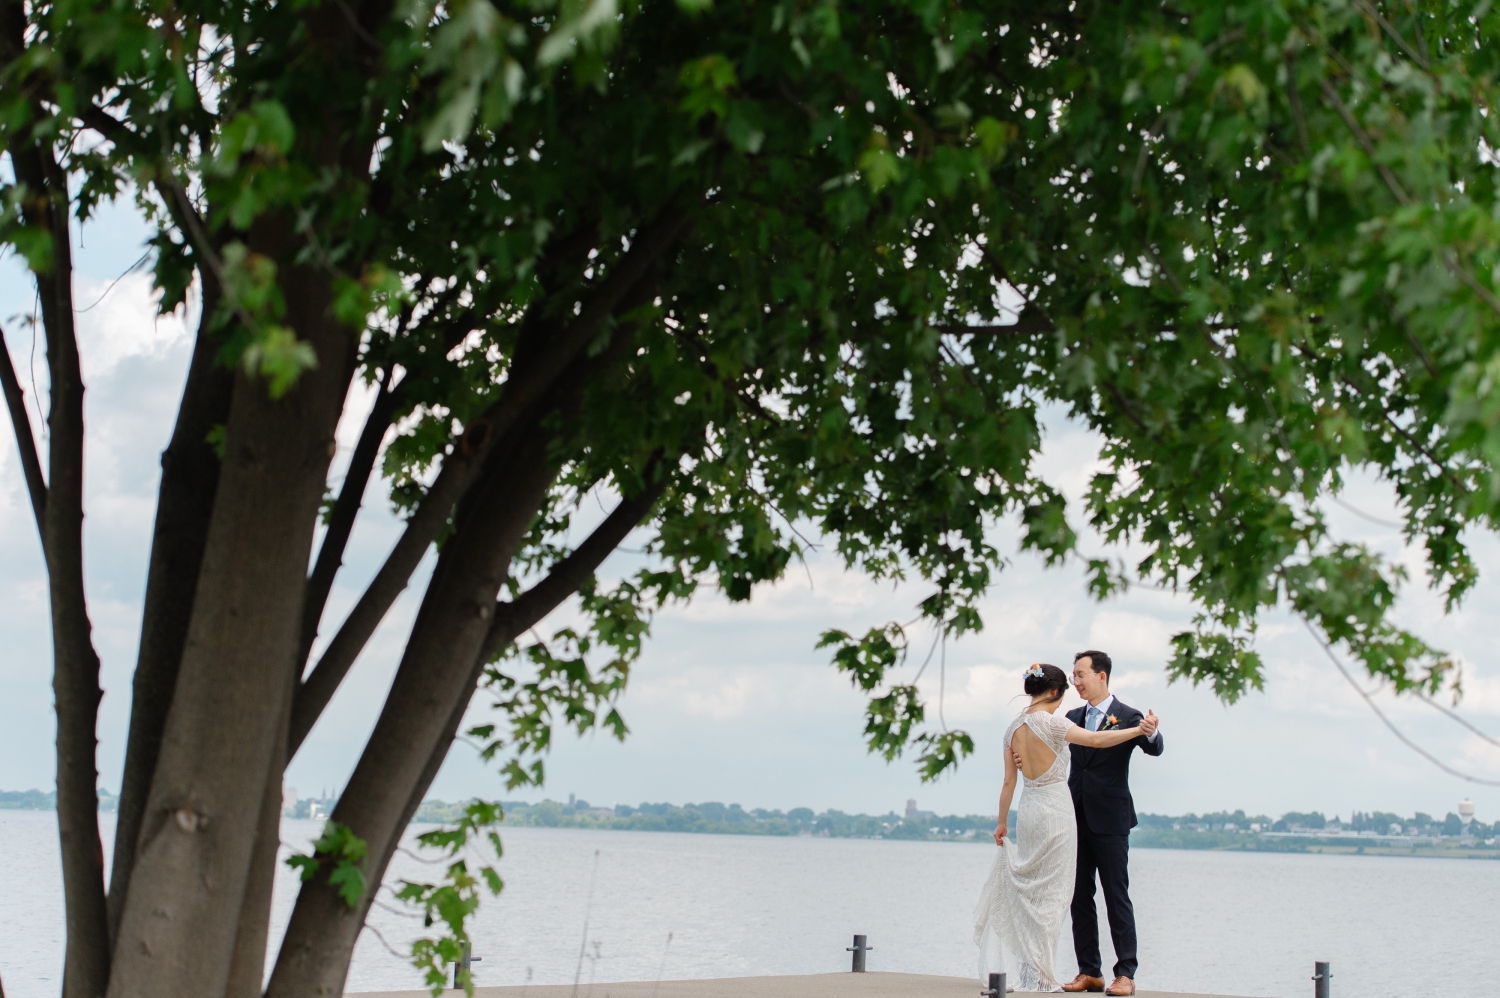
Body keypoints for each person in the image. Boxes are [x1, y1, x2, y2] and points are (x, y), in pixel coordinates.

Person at [972, 664, 1154, 992]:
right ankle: (1052, 971)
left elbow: (1008, 781)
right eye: (1067, 686)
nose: (1073, 689)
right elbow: (1097, 740)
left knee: (1036, 891)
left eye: (1081, 675)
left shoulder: (1012, 727)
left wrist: (1001, 823)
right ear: (1055, 692)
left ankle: (1041, 971)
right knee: (1059, 896)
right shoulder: (1057, 719)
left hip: (1031, 812)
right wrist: (1138, 730)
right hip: (1058, 813)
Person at [1060, 650, 1162, 997]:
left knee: (1116, 895)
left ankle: (1126, 974)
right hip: (1075, 816)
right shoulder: (1071, 716)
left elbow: (1155, 748)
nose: (1076, 682)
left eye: (1081, 675)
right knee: (1078, 896)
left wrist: (1149, 732)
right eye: (1074, 676)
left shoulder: (1128, 715)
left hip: (1112, 820)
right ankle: (1090, 971)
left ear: (1101, 676)